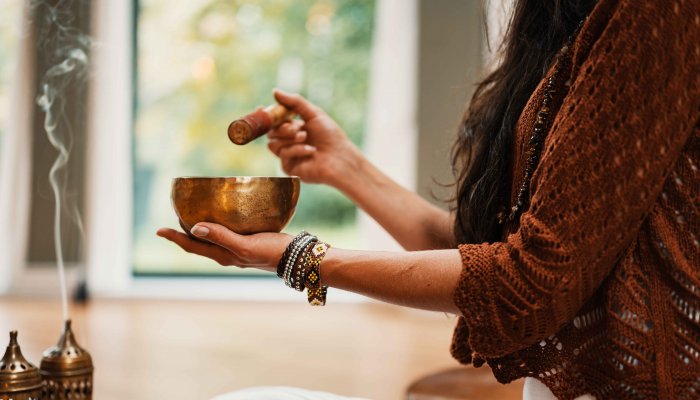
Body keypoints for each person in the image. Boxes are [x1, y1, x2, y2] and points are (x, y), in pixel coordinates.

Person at [157, 0, 699, 398]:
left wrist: (298, 257)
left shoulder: (658, 12)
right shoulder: (569, 20)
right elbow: (483, 252)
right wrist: (346, 167)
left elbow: (529, 282)